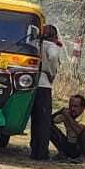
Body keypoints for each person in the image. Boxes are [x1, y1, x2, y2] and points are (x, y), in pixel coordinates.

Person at [30, 24, 65, 161]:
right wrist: (52, 72)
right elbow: (54, 57)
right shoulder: (51, 46)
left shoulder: (34, 43)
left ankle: (34, 149)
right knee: (43, 121)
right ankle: (41, 152)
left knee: (34, 120)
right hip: (44, 84)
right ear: (53, 35)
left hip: (29, 82)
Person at [49, 93, 85, 161]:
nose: (72, 109)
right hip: (70, 146)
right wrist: (59, 112)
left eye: (75, 106)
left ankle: (82, 157)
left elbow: (78, 131)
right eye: (70, 106)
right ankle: (63, 153)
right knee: (49, 127)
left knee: (84, 131)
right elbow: (49, 121)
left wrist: (68, 116)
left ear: (83, 108)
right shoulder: (67, 114)